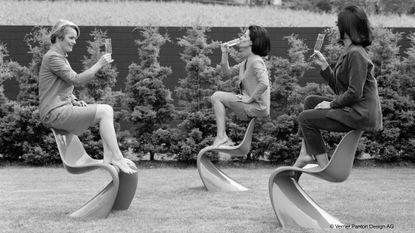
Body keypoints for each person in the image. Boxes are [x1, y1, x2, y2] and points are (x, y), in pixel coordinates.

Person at [39, 19, 135, 174]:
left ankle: (109, 157)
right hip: (54, 113)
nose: (74, 42)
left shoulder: (59, 57)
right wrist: (99, 64)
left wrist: (74, 100)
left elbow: (55, 88)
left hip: (59, 109)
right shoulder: (53, 57)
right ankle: (116, 157)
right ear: (58, 37)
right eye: (71, 38)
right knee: (105, 111)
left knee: (107, 111)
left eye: (75, 38)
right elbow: (76, 80)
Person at [294, 5, 382, 168]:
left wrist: (332, 104)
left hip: (360, 113)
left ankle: (323, 165)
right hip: (354, 109)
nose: (335, 28)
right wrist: (325, 67)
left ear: (347, 29)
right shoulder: (349, 51)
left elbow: (355, 93)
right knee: (311, 101)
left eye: (338, 24)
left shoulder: (356, 53)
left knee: (305, 118)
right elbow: (341, 91)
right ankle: (305, 154)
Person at [211, 25, 271, 147]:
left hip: (257, 106)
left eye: (244, 36)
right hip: (250, 105)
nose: (240, 38)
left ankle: (221, 136)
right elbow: (227, 72)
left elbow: (264, 83)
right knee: (217, 97)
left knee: (216, 96)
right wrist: (224, 53)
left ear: (251, 42)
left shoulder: (256, 61)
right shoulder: (246, 62)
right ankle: (222, 136)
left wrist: (250, 99)